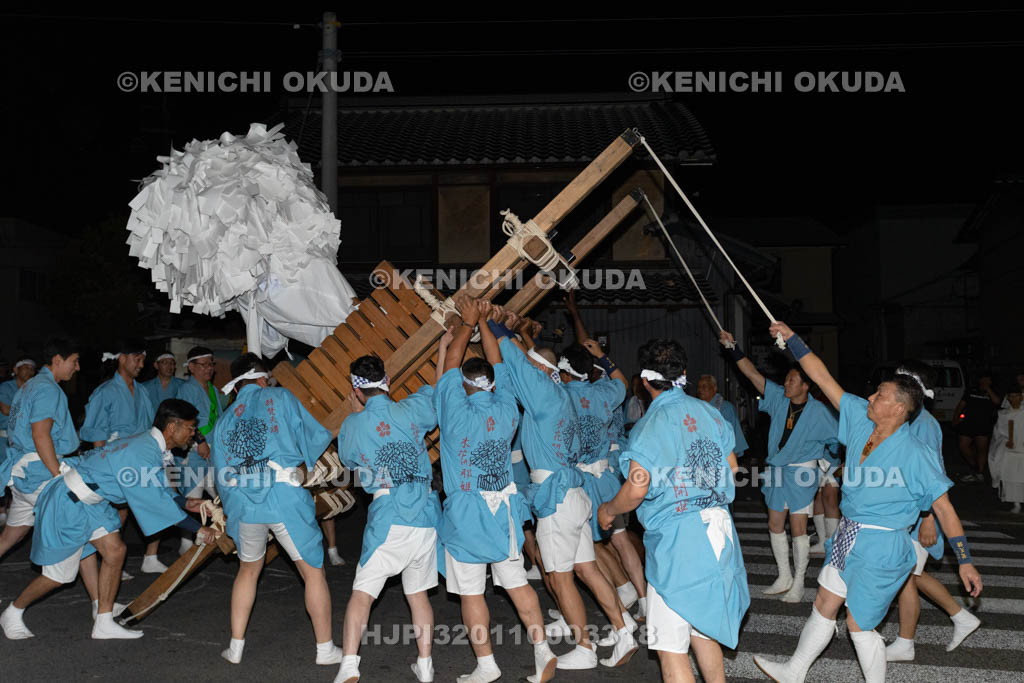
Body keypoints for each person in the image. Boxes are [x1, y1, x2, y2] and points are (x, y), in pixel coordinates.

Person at [752, 322, 982, 683]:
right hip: (849, 533)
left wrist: (964, 561)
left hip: (883, 546)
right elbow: (822, 377)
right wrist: (793, 341)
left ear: (900, 408)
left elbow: (945, 509)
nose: (871, 397)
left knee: (858, 625)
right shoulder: (861, 418)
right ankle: (793, 672)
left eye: (880, 395)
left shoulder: (915, 452)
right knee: (824, 602)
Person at [486, 308, 638, 670]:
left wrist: (490, 321)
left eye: (532, 367)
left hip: (556, 498)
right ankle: (624, 630)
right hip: (576, 493)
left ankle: (584, 648)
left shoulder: (544, 393)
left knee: (559, 577)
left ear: (541, 370)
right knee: (587, 569)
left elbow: (513, 360)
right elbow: (510, 367)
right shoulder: (563, 394)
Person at [0, 399, 220, 640]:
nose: (193, 433)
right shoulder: (144, 451)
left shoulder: (148, 443)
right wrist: (199, 529)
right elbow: (156, 501)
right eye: (190, 427)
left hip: (90, 501)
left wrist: (185, 503)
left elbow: (156, 487)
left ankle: (103, 620)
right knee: (58, 577)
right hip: (69, 502)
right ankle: (13, 612)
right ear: (171, 427)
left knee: (115, 551)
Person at [597, 338, 749, 683]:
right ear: (683, 373)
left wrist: (608, 510)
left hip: (680, 542)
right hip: (719, 531)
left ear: (644, 381)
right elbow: (733, 467)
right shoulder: (710, 412)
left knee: (670, 647)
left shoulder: (650, 424)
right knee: (704, 630)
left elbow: (637, 486)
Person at [434, 297, 556, 683]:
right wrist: (483, 323)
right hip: (504, 513)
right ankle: (543, 650)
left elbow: (451, 365)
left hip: (467, 516)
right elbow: (498, 364)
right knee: (517, 585)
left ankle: (487, 665)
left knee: (472, 594)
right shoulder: (507, 409)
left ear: (464, 385)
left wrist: (467, 323)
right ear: (490, 384)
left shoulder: (454, 411)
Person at [211, 353, 342, 666]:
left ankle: (235, 647)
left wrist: (233, 510)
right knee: (312, 572)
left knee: (248, 569)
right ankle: (325, 649)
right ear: (261, 378)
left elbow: (220, 475)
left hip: (243, 502)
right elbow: (314, 437)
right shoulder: (280, 397)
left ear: (236, 385)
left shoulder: (224, 420)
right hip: (283, 496)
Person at [336, 354, 439, 683]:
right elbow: (437, 390)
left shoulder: (353, 424)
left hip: (389, 515)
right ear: (388, 381)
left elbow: (349, 461)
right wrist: (444, 347)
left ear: (356, 390)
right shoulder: (412, 409)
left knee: (362, 594)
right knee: (418, 594)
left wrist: (357, 413)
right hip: (424, 514)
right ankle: (425, 664)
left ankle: (349, 666)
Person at [720, 330, 839, 603]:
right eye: (786, 379)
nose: (786, 383)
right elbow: (752, 374)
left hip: (802, 472)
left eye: (792, 380)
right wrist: (733, 348)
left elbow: (836, 440)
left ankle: (799, 581)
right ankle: (784, 575)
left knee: (798, 527)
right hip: (776, 470)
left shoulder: (820, 412)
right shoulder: (778, 399)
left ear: (806, 386)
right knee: (774, 524)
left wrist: (831, 463)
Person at [887, 360, 982, 662]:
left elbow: (932, 477)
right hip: (908, 512)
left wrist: (928, 519)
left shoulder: (924, 424)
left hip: (921, 515)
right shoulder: (908, 419)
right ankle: (960, 617)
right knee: (909, 575)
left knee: (906, 577)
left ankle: (906, 642)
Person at [80, 340, 164, 574]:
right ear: (122, 358)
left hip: (138, 460)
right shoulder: (105, 392)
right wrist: (102, 467)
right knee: (114, 512)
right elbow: (97, 434)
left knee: (151, 504)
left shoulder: (142, 391)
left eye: (143, 360)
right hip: (112, 461)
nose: (141, 364)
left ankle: (150, 557)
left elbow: (149, 427)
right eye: (137, 359)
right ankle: (106, 559)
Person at [0, 339, 82, 564]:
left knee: (11, 536)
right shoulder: (47, 389)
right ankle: (94, 591)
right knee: (83, 525)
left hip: (24, 472)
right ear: (58, 360)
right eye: (74, 361)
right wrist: (58, 476)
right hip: (39, 473)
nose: (77, 367)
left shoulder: (29, 385)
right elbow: (40, 435)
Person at [175, 346, 227, 501]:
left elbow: (219, 418)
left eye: (211, 364)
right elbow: (183, 420)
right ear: (191, 367)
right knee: (194, 499)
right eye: (203, 364)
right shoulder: (187, 389)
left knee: (222, 499)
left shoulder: (213, 389)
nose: (209, 368)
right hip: (194, 451)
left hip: (212, 453)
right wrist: (200, 441)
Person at [953, 373, 1000, 482]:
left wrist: (988, 389)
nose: (985, 381)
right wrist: (955, 418)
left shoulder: (993, 392)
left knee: (982, 449)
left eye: (987, 380)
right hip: (968, 423)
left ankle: (980, 472)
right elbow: (961, 405)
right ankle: (974, 465)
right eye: (983, 379)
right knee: (963, 446)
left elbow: (997, 402)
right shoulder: (972, 390)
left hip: (983, 424)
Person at [0, 358, 38, 485]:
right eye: (26, 367)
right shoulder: (6, 387)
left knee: (18, 476)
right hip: (4, 440)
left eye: (32, 369)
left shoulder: (33, 389)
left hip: (24, 440)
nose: (30, 371)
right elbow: (6, 410)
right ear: (16, 370)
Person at [696, 374, 749, 458]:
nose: (700, 390)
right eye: (699, 387)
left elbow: (734, 437)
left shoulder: (725, 408)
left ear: (714, 388)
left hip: (722, 456)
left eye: (704, 386)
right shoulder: (697, 408)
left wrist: (732, 461)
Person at [990, 386, 1024, 512]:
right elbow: (998, 433)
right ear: (1008, 398)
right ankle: (1016, 503)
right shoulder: (1004, 414)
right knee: (1011, 477)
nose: (1014, 399)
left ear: (1021, 397)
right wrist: (1005, 441)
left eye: (1017, 396)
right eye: (1011, 396)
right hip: (1009, 451)